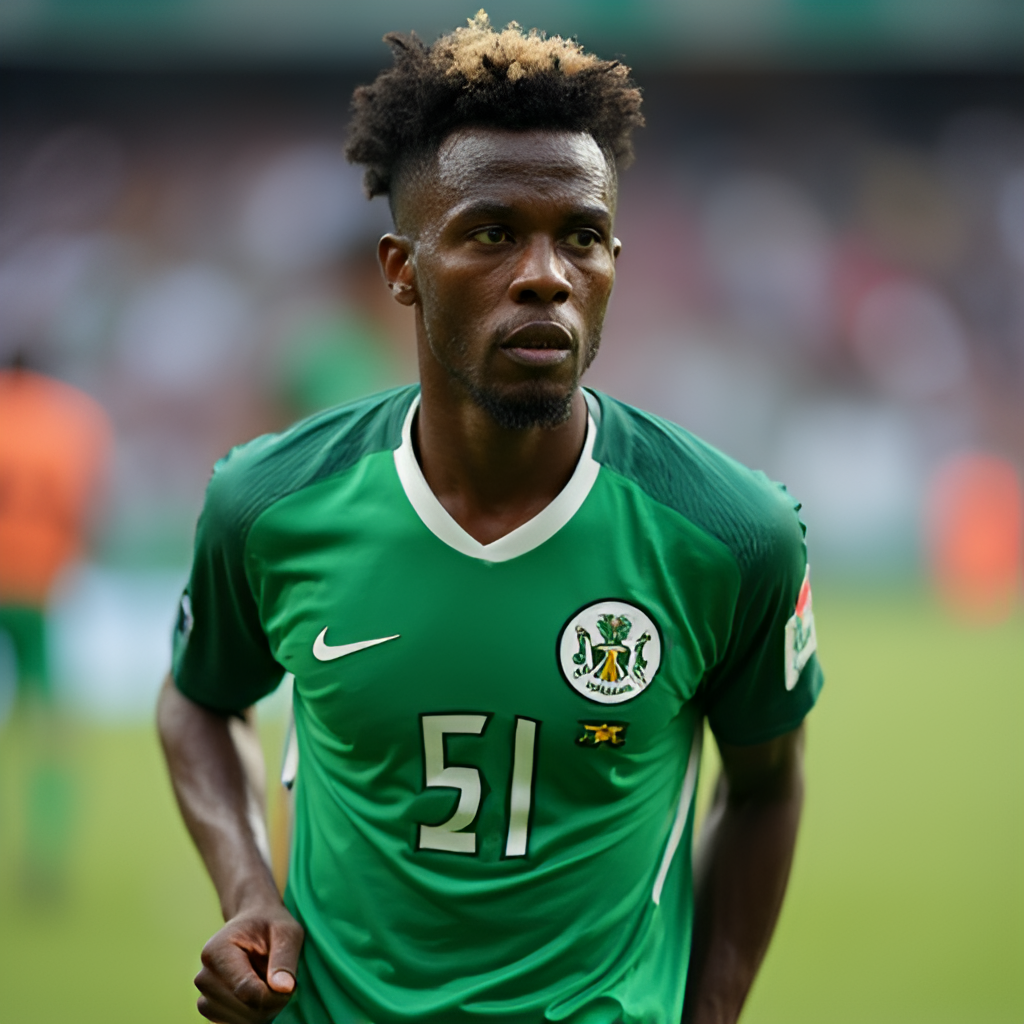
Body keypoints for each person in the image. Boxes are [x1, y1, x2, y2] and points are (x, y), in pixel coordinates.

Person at [157, 14, 823, 1024]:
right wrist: (249, 886)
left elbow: (766, 785)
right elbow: (197, 701)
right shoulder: (268, 503)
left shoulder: (732, 533)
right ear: (400, 270)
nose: (547, 273)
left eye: (582, 237)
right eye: (492, 232)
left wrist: (714, 1012)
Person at [0, 351, 113, 895]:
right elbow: (86, 508)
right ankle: (43, 859)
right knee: (51, 730)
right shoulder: (71, 420)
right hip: (36, 589)